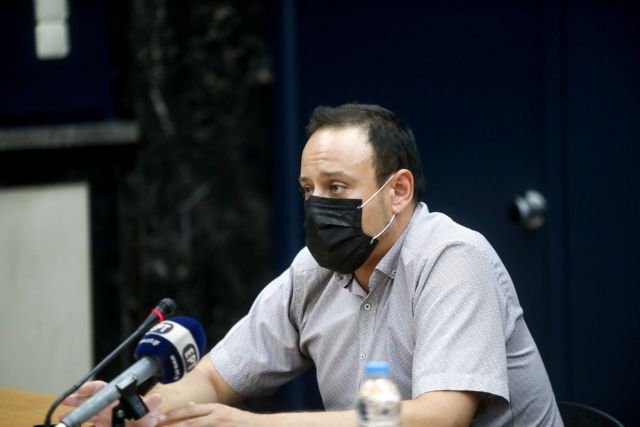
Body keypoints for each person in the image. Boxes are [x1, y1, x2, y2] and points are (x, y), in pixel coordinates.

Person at [64, 103, 563, 426]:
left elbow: (439, 416)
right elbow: (217, 377)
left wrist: (255, 425)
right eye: (309, 190)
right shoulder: (314, 271)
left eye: (337, 187)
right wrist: (145, 408)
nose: (318, 204)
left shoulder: (453, 258)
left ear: (398, 191)